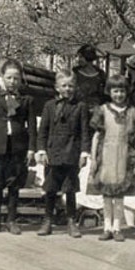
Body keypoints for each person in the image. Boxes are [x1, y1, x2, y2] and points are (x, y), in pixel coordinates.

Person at [87, 74, 135, 241]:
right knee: (106, 195)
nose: (119, 95)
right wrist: (93, 158)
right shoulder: (102, 110)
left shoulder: (132, 112)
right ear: (109, 92)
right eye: (115, 91)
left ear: (126, 92)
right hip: (106, 156)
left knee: (120, 195)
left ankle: (117, 228)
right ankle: (106, 227)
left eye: (121, 91)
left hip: (124, 156)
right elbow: (97, 136)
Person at [0, 58, 37, 234]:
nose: (12, 82)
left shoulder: (27, 100)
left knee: (14, 185)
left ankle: (11, 220)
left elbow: (32, 126)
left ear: (21, 80)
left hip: (17, 148)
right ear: (2, 78)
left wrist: (31, 149)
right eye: (9, 78)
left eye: (16, 78)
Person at [35, 70, 90, 238]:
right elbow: (42, 130)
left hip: (71, 152)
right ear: (57, 87)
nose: (68, 89)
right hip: (53, 153)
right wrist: (42, 150)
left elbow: (85, 132)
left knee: (70, 189)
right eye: (64, 85)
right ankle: (47, 220)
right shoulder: (49, 106)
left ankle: (71, 221)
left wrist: (84, 153)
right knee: (50, 189)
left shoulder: (80, 106)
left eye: (71, 85)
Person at [72, 44, 107, 113]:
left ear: (88, 57)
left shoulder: (100, 74)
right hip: (77, 108)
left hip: (95, 110)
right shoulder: (75, 72)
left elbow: (104, 93)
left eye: (80, 57)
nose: (78, 59)